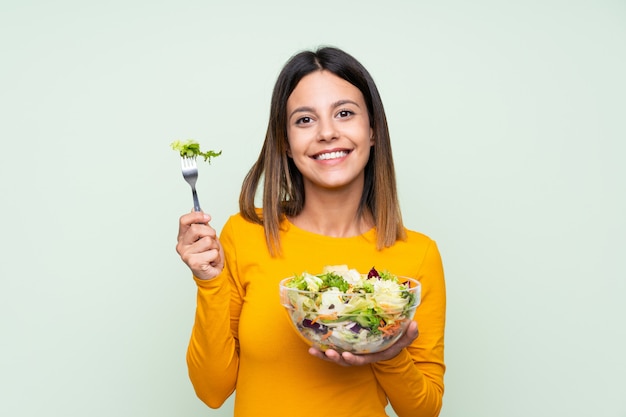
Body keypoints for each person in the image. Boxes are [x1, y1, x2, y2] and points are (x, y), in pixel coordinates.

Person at [176, 46, 446, 417]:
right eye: (305, 120)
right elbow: (211, 390)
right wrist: (209, 282)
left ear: (372, 131)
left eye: (345, 114)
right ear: (286, 143)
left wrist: (389, 353)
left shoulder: (417, 254)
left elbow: (424, 410)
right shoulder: (244, 235)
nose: (327, 133)